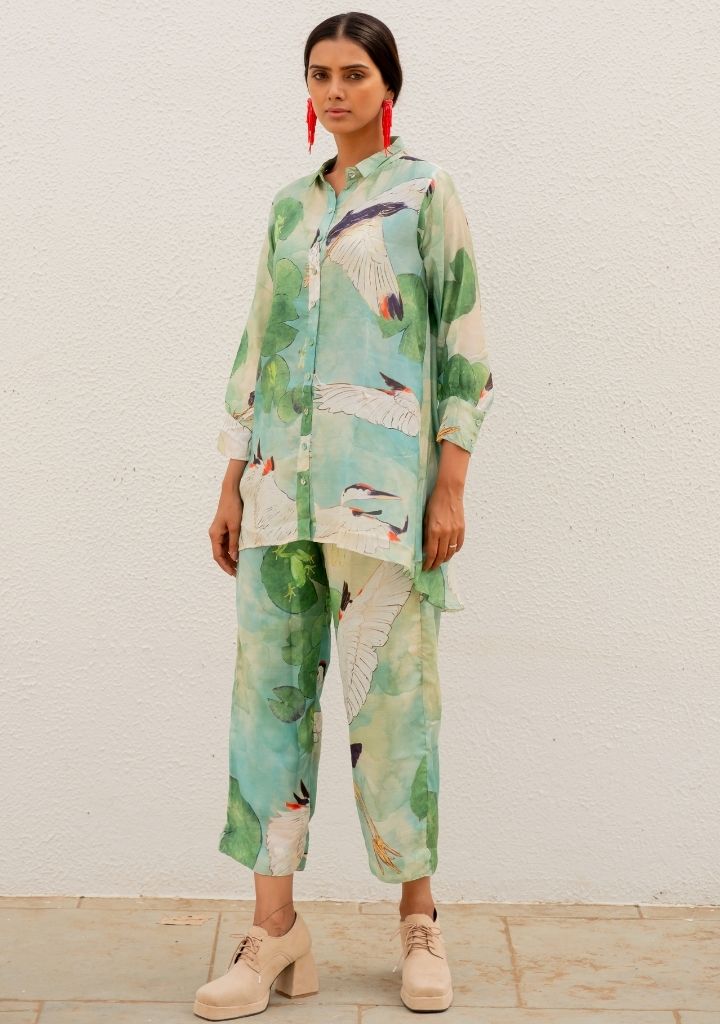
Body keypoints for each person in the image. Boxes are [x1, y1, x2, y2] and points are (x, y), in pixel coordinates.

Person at [199, 11, 494, 1020]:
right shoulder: (289, 208)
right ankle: (273, 932)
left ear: (387, 86)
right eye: (320, 74)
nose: (335, 90)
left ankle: (419, 920)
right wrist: (231, 480)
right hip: (278, 492)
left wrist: (449, 485)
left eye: (354, 74)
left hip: (384, 502)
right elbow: (258, 346)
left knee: (395, 708)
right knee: (267, 708)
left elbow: (463, 346)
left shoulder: (426, 193)